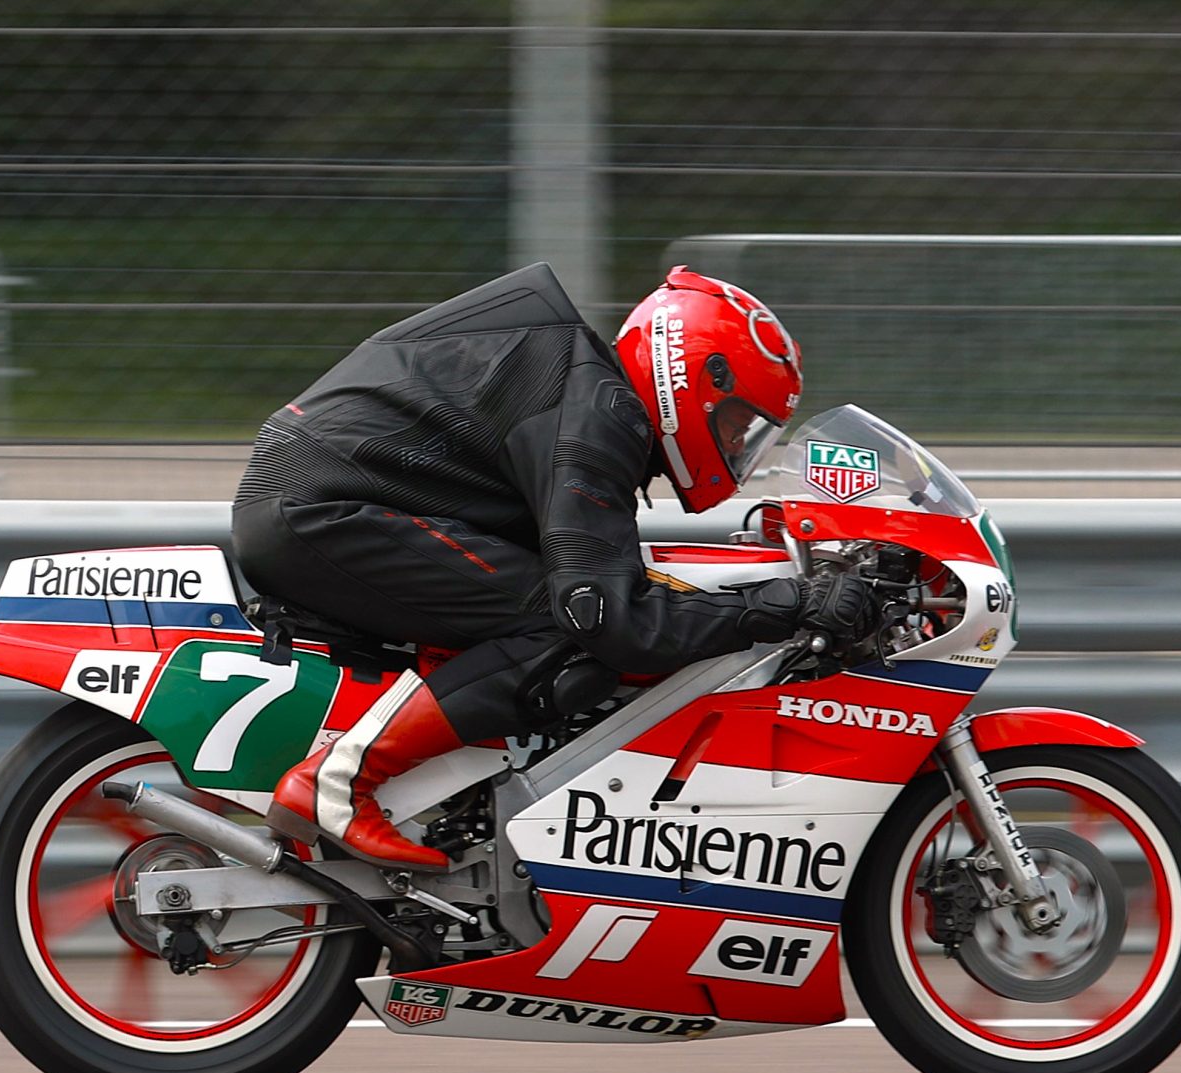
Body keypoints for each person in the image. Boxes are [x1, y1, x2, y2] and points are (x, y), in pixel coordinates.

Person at [232, 261, 881, 871]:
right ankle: (337, 783)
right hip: (326, 514)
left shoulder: (580, 388)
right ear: (690, 379)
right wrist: (782, 604)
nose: (738, 444)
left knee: (565, 616)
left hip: (321, 504)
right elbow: (606, 618)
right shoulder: (598, 414)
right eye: (739, 422)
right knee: (566, 630)